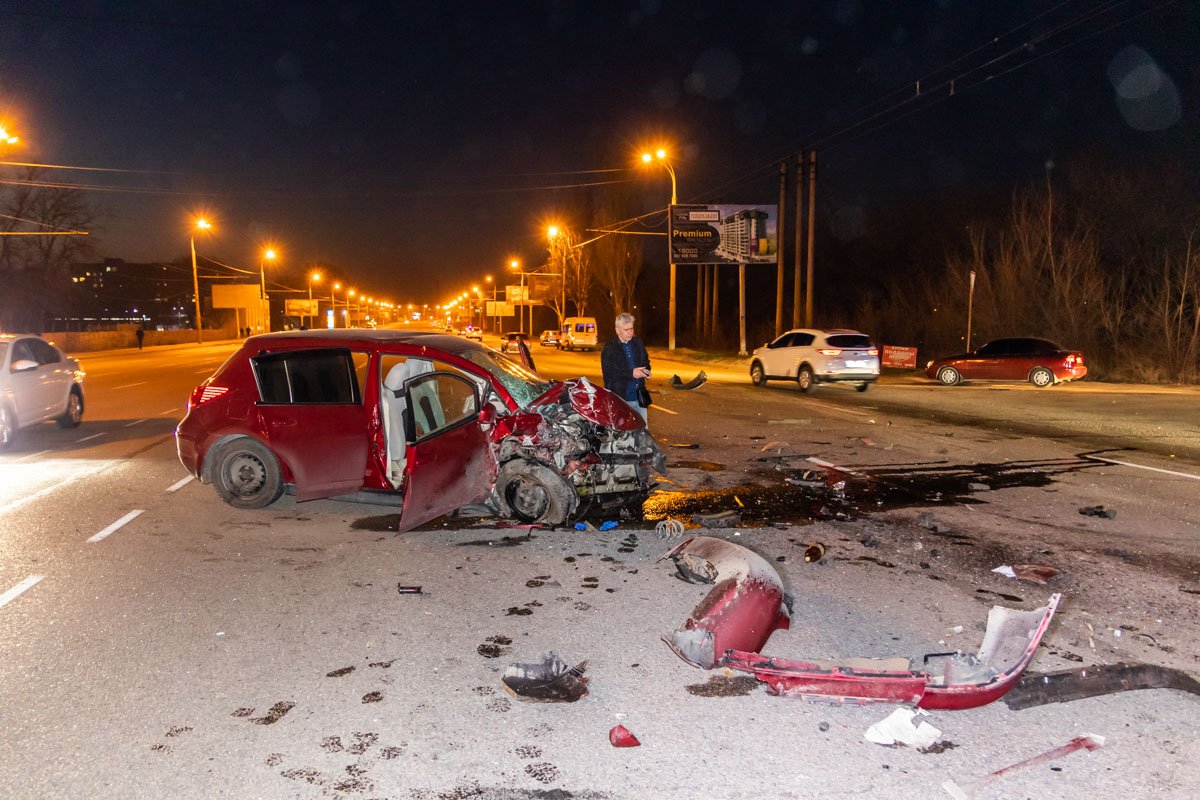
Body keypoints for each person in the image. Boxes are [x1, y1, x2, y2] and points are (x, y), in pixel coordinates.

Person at [600, 313, 650, 425]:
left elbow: (645, 361)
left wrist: (646, 371)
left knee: (643, 432)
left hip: (639, 396)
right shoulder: (610, 348)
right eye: (626, 329)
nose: (630, 332)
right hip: (620, 398)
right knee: (623, 434)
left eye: (631, 329)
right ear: (617, 330)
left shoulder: (638, 343)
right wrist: (631, 373)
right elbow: (609, 373)